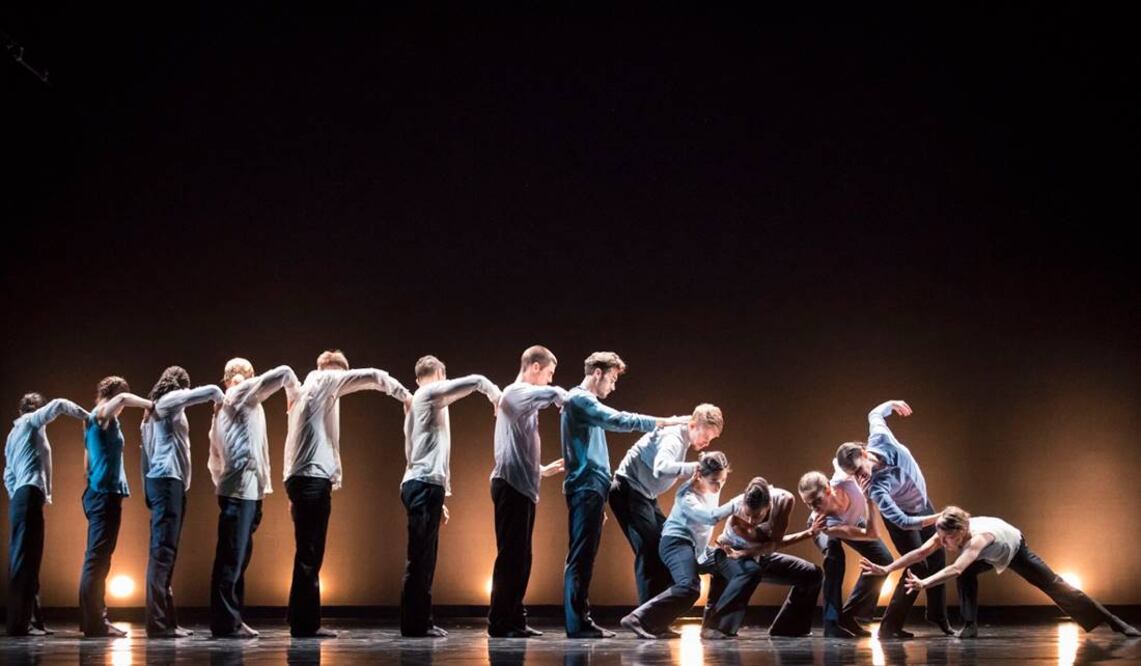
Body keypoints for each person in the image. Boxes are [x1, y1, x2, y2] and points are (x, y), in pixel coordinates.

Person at [282, 349, 412, 638]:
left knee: (307, 550)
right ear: (333, 369)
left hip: (302, 478)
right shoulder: (325, 379)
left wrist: (291, 486)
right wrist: (405, 396)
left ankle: (299, 617)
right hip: (312, 478)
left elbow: (295, 443)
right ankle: (305, 625)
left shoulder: (305, 393)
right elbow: (372, 376)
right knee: (310, 553)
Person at [861, 506, 1141, 639]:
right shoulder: (945, 531)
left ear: (960, 532)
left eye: (946, 540)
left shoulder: (978, 539)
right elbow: (920, 553)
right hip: (989, 555)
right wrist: (886, 567)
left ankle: (1114, 621)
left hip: (1015, 550)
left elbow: (957, 567)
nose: (943, 544)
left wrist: (923, 582)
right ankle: (970, 626)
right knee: (968, 574)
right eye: (941, 539)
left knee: (1055, 585)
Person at [560, 351, 687, 638]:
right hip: (586, 487)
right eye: (613, 379)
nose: (613, 386)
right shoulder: (580, 399)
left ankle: (580, 621)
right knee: (581, 557)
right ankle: (578, 624)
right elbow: (618, 420)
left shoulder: (579, 401)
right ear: (598, 373)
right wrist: (663, 421)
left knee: (585, 556)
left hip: (593, 487)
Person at [401, 355, 500, 637]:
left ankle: (420, 622)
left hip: (423, 484)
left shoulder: (416, 403)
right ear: (441, 374)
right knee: (420, 559)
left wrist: (441, 495)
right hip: (422, 485)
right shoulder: (430, 393)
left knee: (424, 558)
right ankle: (415, 625)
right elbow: (478, 381)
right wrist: (497, 398)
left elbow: (417, 451)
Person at [834, 399, 950, 637]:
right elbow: (903, 522)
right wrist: (939, 517)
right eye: (853, 475)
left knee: (938, 556)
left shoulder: (881, 438)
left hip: (923, 505)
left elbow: (874, 413)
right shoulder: (875, 488)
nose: (859, 477)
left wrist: (892, 403)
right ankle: (890, 627)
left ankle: (937, 613)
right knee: (917, 565)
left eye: (859, 470)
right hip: (904, 516)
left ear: (865, 452)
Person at [208, 358, 299, 637]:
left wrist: (225, 483)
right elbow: (284, 371)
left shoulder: (223, 407)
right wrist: (294, 399)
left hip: (242, 488)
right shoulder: (240, 393)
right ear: (247, 376)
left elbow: (214, 457)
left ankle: (232, 619)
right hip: (240, 489)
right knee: (233, 558)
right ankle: (226, 623)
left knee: (237, 557)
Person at [487, 345, 567, 638]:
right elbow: (554, 394)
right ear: (535, 367)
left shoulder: (524, 401)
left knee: (522, 557)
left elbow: (517, 444)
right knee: (511, 557)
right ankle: (499, 622)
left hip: (523, 486)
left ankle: (514, 619)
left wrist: (541, 470)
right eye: (548, 373)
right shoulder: (515, 392)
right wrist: (563, 396)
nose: (548, 379)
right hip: (510, 486)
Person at [619, 451, 741, 639]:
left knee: (726, 566)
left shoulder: (712, 486)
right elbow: (710, 518)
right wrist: (737, 502)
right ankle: (638, 618)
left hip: (697, 548)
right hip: (675, 543)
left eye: (723, 480)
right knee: (689, 588)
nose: (719, 485)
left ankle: (712, 626)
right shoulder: (686, 495)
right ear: (699, 475)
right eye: (715, 481)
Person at [610, 403, 724, 604]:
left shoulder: (685, 429)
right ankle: (647, 618)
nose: (706, 442)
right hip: (629, 491)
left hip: (645, 495)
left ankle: (657, 615)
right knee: (650, 551)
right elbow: (661, 468)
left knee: (667, 544)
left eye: (711, 439)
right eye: (705, 436)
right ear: (692, 426)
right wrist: (697, 468)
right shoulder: (673, 437)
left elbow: (689, 417)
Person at [141, 366, 224, 637]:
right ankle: (158, 624)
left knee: (166, 552)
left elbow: (145, 454)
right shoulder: (169, 401)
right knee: (163, 553)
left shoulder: (152, 412)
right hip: (167, 480)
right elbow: (211, 391)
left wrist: (147, 488)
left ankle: (167, 621)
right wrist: (220, 405)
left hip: (163, 481)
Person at [5, 392, 89, 636]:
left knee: (26, 559)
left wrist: (18, 493)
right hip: (28, 494)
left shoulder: (13, 434)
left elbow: (8, 473)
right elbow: (61, 404)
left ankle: (31, 620)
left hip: (23, 496)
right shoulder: (32, 421)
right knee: (26, 560)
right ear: (34, 409)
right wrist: (89, 417)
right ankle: (21, 624)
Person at [79, 377, 151, 637]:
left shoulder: (94, 421)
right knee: (97, 560)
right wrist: (150, 406)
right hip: (104, 495)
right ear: (113, 394)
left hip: (101, 493)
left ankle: (92, 620)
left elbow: (86, 464)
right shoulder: (100, 414)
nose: (122, 406)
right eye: (121, 398)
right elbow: (121, 400)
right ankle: (96, 623)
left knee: (98, 560)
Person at [796, 470, 893, 638]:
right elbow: (869, 534)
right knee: (834, 559)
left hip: (851, 519)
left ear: (828, 489)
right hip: (823, 527)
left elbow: (852, 458)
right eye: (809, 504)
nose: (815, 508)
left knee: (883, 560)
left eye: (817, 501)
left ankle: (848, 615)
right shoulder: (823, 522)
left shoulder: (844, 481)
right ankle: (831, 624)